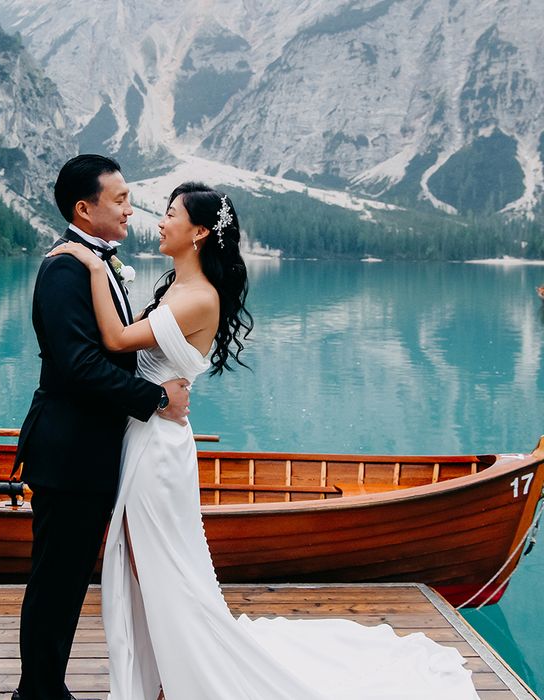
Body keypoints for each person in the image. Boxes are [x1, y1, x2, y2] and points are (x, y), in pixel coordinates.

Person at [47, 182, 481, 700]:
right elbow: (124, 351)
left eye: (170, 214)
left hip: (157, 450)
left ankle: (183, 673)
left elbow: (117, 341)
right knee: (148, 561)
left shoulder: (199, 298)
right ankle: (166, 670)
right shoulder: (174, 290)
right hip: (147, 437)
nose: (159, 222)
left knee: (157, 562)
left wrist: (94, 267)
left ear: (200, 232)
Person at [12, 154, 190, 700]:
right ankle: (37, 692)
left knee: (64, 579)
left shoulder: (94, 260)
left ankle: (45, 687)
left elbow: (109, 350)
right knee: (55, 580)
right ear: (84, 209)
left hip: (87, 449)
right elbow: (77, 365)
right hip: (68, 451)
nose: (130, 210)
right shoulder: (66, 266)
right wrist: (156, 397)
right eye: (119, 200)